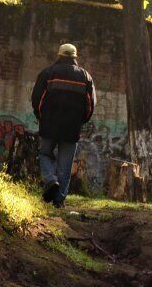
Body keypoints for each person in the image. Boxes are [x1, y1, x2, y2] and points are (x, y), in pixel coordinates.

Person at [30, 43, 97, 208]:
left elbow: (37, 100)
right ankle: (59, 202)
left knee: (45, 154)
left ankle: (51, 180)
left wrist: (41, 117)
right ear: (75, 57)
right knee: (65, 166)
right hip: (71, 129)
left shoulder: (48, 73)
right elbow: (90, 105)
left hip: (49, 126)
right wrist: (81, 121)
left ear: (59, 55)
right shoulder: (85, 76)